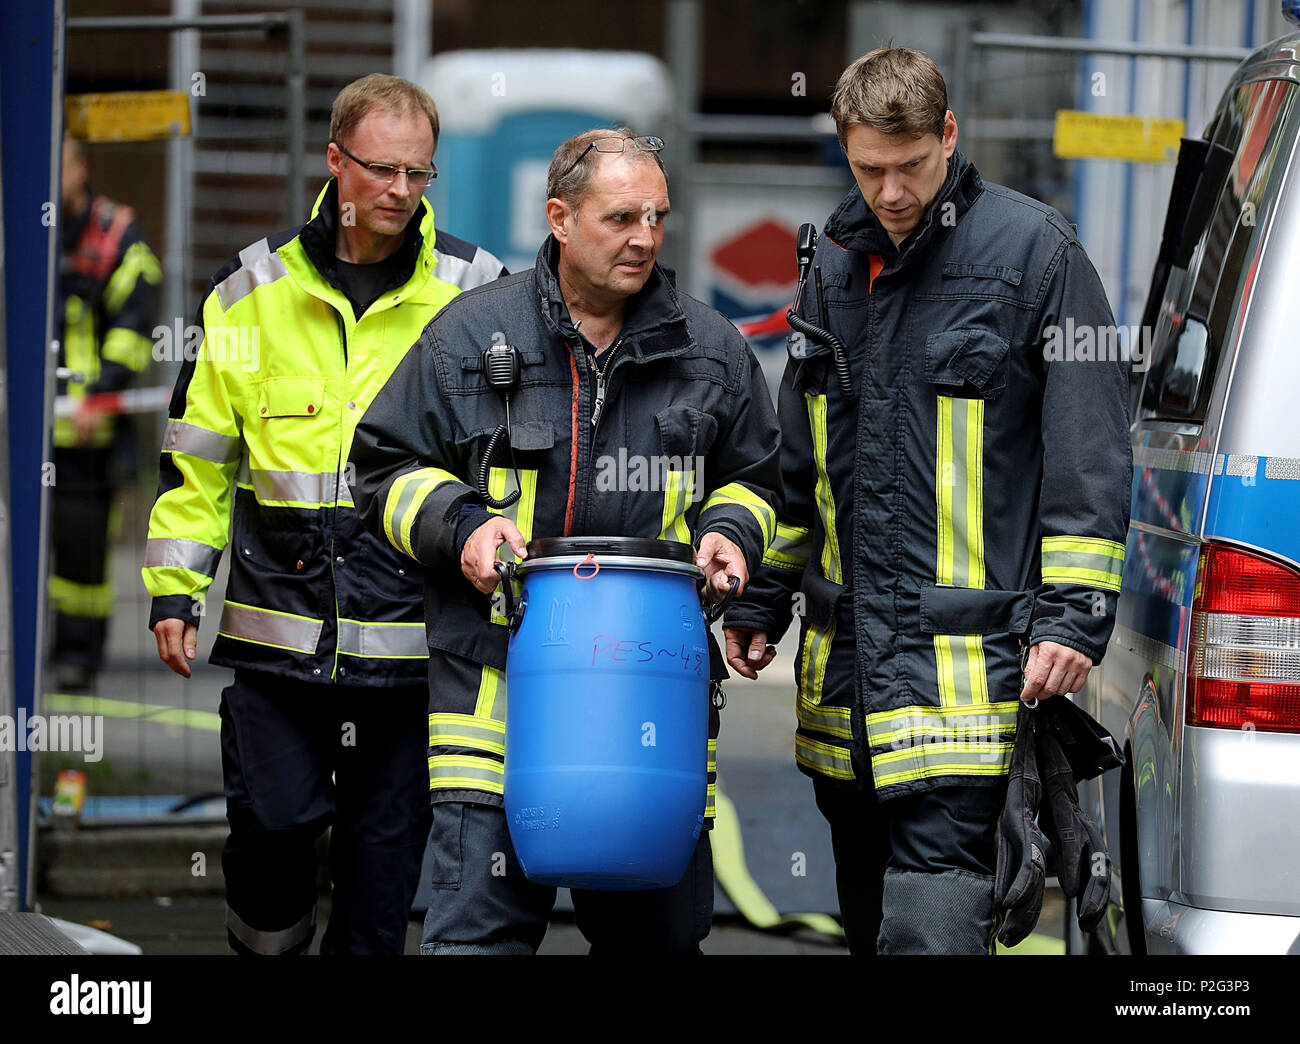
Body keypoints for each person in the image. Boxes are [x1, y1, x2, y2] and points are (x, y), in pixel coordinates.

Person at [722, 48, 1132, 954]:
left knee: (934, 930)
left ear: (950, 135)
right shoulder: (832, 265)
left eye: (911, 166)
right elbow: (803, 462)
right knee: (870, 926)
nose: (892, 191)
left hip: (968, 688)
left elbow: (1090, 454)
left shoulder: (1037, 256)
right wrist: (760, 598)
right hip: (847, 697)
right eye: (869, 169)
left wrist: (1071, 620)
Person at [349, 127, 782, 955]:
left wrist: (731, 533)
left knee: (653, 947)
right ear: (559, 217)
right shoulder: (469, 340)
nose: (645, 238)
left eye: (657, 217)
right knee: (476, 945)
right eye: (621, 217)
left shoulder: (710, 352)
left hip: (647, 718)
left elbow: (759, 479)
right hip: (498, 714)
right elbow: (383, 468)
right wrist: (464, 529)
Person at [142, 74, 506, 955]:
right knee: (271, 833)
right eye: (383, 170)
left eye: (420, 175)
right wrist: (174, 590)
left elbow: (509, 462)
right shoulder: (247, 292)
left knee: (382, 892)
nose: (401, 192)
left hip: (419, 654)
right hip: (279, 642)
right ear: (335, 162)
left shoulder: (478, 290)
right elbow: (199, 459)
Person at [52, 137, 161, 694]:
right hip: (36, 431)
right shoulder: (33, 229)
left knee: (83, 544)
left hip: (92, 430)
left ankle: (79, 655)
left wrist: (101, 394)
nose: (53, 174)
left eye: (62, 162)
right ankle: (50, 648)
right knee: (42, 543)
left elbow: (134, 320)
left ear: (81, 167)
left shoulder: (114, 233)